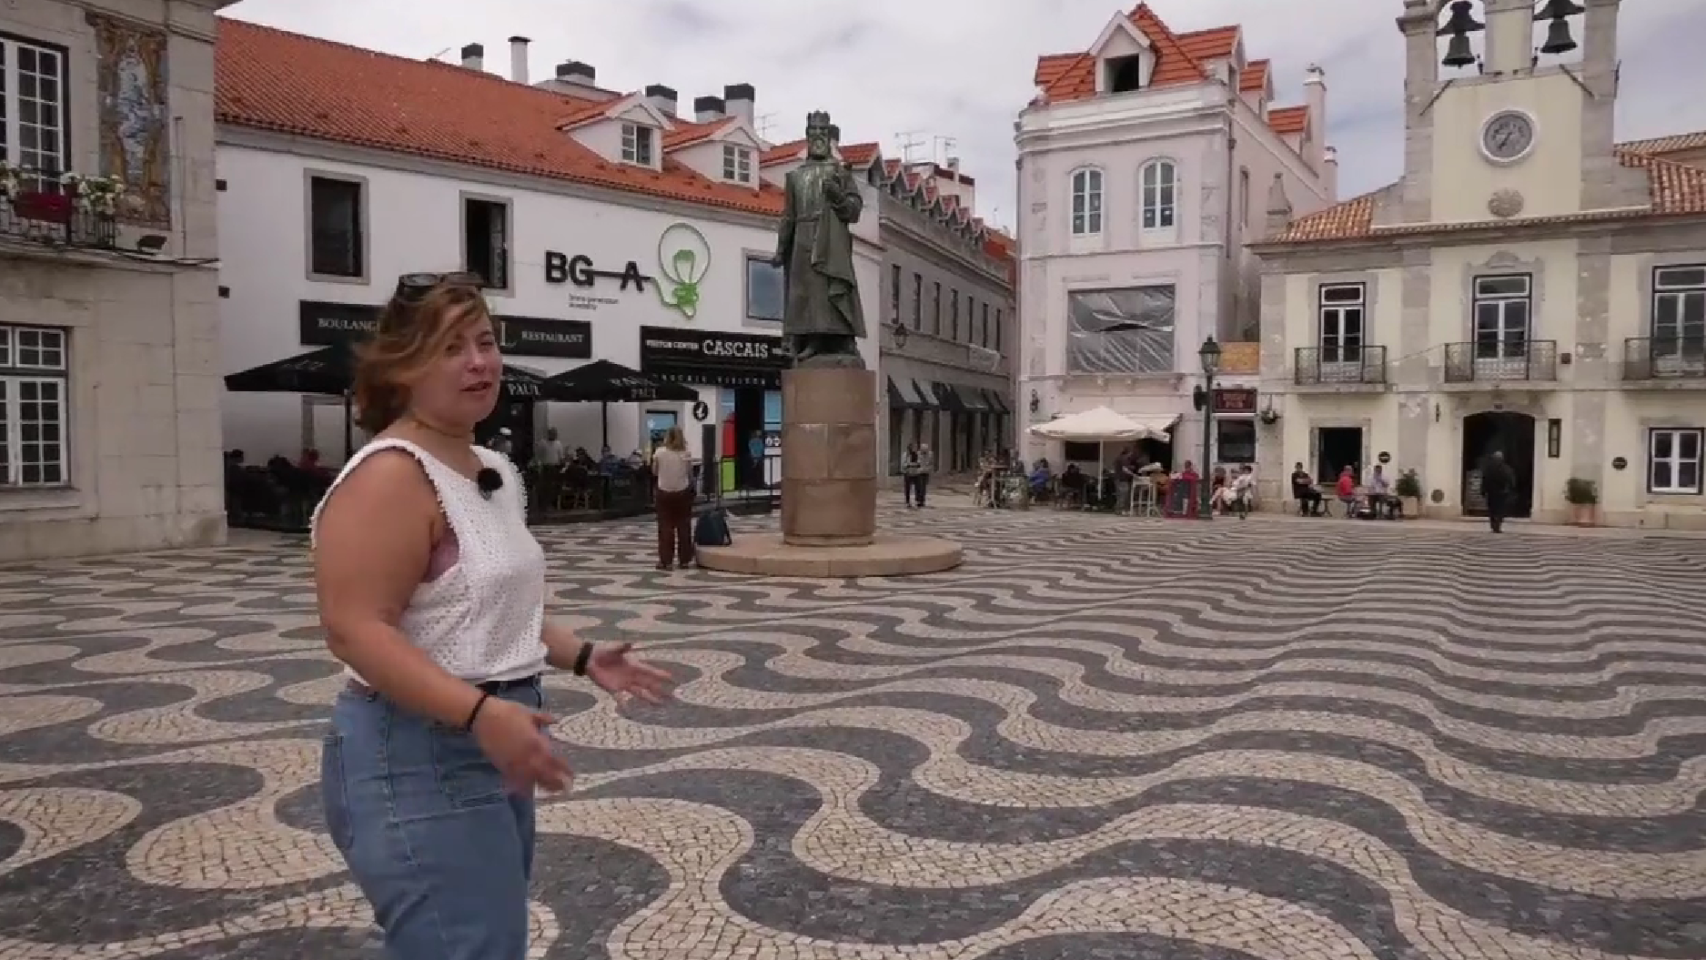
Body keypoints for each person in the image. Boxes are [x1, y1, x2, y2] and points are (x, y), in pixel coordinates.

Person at [311, 273, 674, 960]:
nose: (480, 362)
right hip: (416, 749)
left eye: (485, 342)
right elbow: (354, 629)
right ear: (401, 366)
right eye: (452, 348)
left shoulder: (492, 468)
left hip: (491, 738)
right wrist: (480, 713)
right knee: (467, 945)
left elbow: (486, 608)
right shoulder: (390, 474)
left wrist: (584, 655)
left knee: (481, 942)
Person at [651, 426, 695, 569]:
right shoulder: (686, 453)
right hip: (682, 492)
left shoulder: (659, 452)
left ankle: (666, 560)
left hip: (664, 492)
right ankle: (684, 559)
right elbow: (689, 473)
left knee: (665, 526)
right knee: (684, 526)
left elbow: (654, 471)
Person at [1481, 451, 1515, 533]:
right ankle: (1497, 525)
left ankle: (1493, 525)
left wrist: (1483, 490)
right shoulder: (1506, 468)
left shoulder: (1488, 468)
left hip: (1492, 493)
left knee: (1492, 510)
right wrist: (1511, 489)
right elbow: (1511, 480)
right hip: (1502, 493)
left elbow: (1484, 480)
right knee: (1500, 510)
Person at [900, 443, 923, 508]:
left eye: (914, 448)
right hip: (908, 473)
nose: (913, 449)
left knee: (918, 487)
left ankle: (918, 500)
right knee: (907, 488)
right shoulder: (905, 455)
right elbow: (903, 464)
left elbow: (920, 463)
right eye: (912, 448)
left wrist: (918, 466)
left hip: (916, 473)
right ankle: (907, 501)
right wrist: (910, 464)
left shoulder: (917, 454)